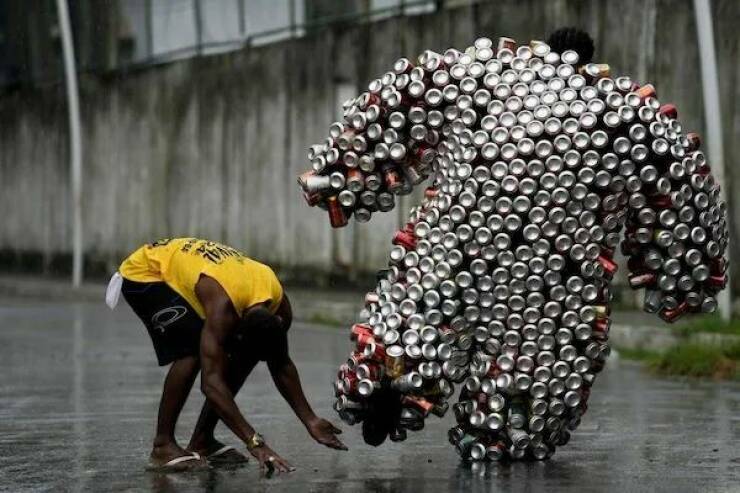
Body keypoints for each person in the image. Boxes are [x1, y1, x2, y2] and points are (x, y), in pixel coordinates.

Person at [107, 237, 346, 473]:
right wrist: (255, 443)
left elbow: (281, 363)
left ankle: (202, 441)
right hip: (147, 272)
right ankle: (163, 446)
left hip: (208, 273)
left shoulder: (280, 306)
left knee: (242, 357)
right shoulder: (222, 309)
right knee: (192, 351)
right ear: (237, 329)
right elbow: (210, 384)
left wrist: (310, 420)